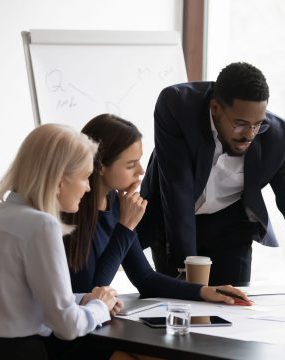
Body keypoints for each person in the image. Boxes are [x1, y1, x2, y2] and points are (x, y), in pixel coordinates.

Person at [139, 62, 285, 294]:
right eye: (240, 124)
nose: (250, 134)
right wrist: (190, 278)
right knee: (179, 305)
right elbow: (177, 190)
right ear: (215, 108)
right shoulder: (177, 106)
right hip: (173, 221)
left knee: (234, 306)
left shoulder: (280, 136)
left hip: (231, 227)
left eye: (258, 124)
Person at [0, 124, 119, 359]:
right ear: (60, 180)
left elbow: (23, 299)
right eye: (84, 177)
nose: (88, 187)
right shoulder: (41, 225)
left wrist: (84, 299)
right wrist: (101, 307)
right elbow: (67, 326)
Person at [63, 114, 251, 306]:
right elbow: (90, 294)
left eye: (139, 161)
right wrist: (126, 227)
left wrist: (205, 291)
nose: (141, 171)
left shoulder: (117, 203)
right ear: (100, 166)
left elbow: (145, 278)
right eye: (130, 165)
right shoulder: (71, 210)